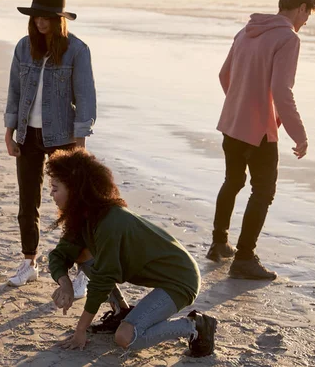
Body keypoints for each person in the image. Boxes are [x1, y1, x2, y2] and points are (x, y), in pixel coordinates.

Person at [46, 148, 216, 357]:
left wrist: (80, 330)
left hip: (181, 281)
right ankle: (121, 312)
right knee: (83, 255)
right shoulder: (84, 217)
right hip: (170, 275)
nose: (51, 194)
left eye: (55, 188)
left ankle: (195, 326)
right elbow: (58, 255)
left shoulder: (109, 222)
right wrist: (66, 284)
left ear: (75, 190)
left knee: (125, 338)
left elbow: (103, 281)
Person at [207, 0, 315, 280]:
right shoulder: (288, 39)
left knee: (232, 181)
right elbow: (281, 90)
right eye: (308, 15)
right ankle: (244, 258)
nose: (307, 22)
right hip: (258, 131)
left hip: (231, 124)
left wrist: (241, 103)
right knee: (263, 191)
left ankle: (219, 243)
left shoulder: (246, 31)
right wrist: (300, 136)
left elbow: (224, 75)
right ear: (301, 9)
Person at [4, 0, 97, 289]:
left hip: (63, 137)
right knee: (27, 201)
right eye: (35, 17)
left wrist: (81, 145)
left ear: (59, 19)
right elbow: (15, 92)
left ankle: (83, 268)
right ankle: (29, 263)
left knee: (71, 206)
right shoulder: (23, 47)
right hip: (27, 136)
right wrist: (9, 132)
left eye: (45, 17)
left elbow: (85, 98)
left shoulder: (77, 50)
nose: (39, 22)